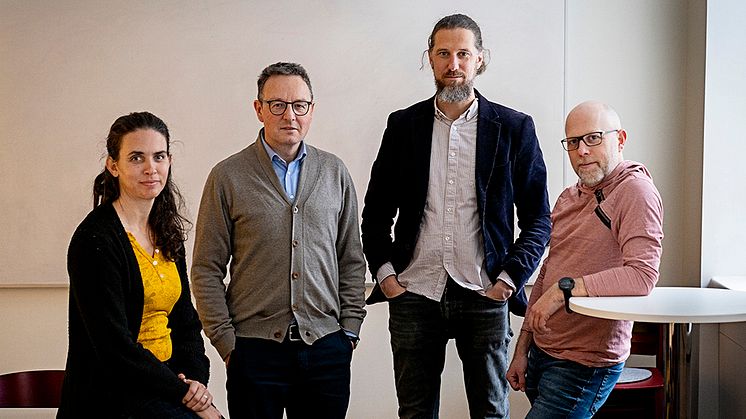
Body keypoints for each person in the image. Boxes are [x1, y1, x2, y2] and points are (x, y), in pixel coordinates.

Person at [361, 14, 551, 419]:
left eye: (463, 54)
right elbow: (375, 213)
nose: (453, 64)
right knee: (414, 412)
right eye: (443, 53)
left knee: (491, 412)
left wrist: (509, 279)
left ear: (480, 60)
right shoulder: (403, 125)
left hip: (485, 292)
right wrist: (387, 276)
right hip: (415, 293)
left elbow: (538, 218)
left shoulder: (515, 128)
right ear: (429, 58)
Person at [191, 62, 367, 419]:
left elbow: (351, 259)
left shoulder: (334, 172)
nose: (290, 115)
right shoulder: (227, 176)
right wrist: (227, 344)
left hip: (326, 349)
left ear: (311, 110)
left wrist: (349, 331)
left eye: (299, 105)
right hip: (254, 353)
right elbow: (206, 269)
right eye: (278, 105)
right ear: (259, 109)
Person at [506, 101, 664, 417]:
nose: (582, 151)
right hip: (542, 352)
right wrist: (522, 348)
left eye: (593, 138)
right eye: (573, 142)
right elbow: (550, 269)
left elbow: (642, 276)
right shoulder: (569, 196)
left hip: (584, 363)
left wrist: (564, 290)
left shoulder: (635, 191)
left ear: (619, 139)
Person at [59, 112, 222, 418]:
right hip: (114, 393)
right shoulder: (95, 240)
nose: (150, 168)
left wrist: (196, 382)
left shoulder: (166, 231)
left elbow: (186, 323)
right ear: (113, 165)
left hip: (169, 384)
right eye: (136, 158)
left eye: (159, 156)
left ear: (169, 161)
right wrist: (185, 393)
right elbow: (115, 349)